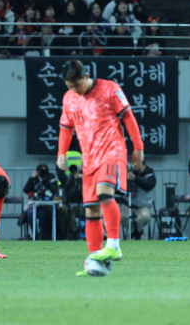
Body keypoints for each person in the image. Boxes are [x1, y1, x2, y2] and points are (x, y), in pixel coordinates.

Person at [57, 60, 144, 275]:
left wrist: (138, 147)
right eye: (69, 86)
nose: (74, 90)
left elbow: (129, 118)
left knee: (104, 192)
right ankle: (95, 260)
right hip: (90, 160)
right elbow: (66, 128)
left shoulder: (109, 89)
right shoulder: (69, 99)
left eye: (76, 85)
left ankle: (114, 245)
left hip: (112, 152)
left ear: (86, 76)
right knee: (91, 210)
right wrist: (61, 152)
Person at [23, 163, 59, 240]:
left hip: (47, 206)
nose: (43, 173)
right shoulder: (35, 180)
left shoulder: (51, 179)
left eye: (44, 171)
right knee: (30, 213)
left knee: (43, 214)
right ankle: (35, 234)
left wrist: (45, 180)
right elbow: (25, 190)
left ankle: (43, 234)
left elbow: (53, 190)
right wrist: (32, 178)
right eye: (41, 171)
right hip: (35, 205)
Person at [121, 161, 156, 240]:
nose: (137, 169)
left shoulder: (150, 175)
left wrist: (134, 178)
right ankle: (134, 231)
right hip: (128, 204)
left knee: (145, 217)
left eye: (139, 167)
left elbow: (148, 185)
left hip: (143, 206)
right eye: (136, 167)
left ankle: (139, 231)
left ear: (144, 165)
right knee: (119, 216)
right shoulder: (130, 173)